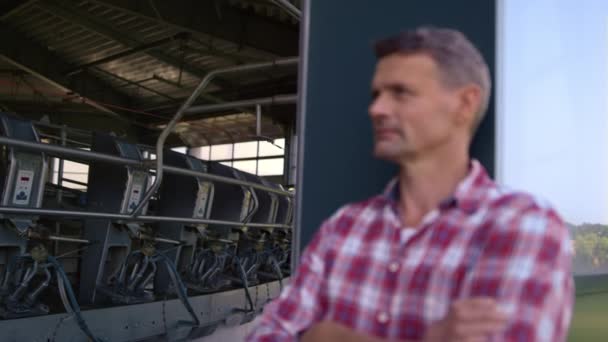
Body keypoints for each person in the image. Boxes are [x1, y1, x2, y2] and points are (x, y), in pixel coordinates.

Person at [246, 26, 573, 342]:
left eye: (400, 92)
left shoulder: (523, 224)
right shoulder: (344, 227)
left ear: (465, 104)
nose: (376, 109)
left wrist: (325, 335)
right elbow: (265, 334)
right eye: (376, 95)